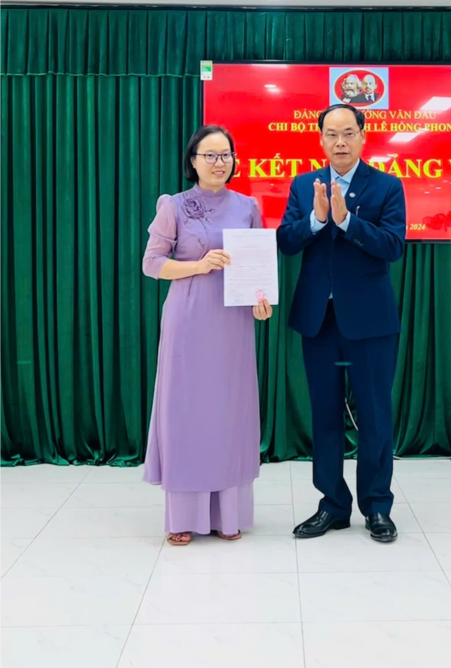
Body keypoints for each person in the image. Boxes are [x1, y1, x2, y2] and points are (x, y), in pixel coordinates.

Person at [277, 104, 405, 543]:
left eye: (348, 133)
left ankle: (377, 505)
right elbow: (285, 241)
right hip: (319, 320)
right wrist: (316, 220)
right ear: (320, 140)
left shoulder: (387, 186)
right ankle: (332, 505)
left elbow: (393, 246)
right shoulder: (303, 184)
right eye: (331, 134)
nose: (340, 142)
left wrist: (347, 221)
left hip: (370, 320)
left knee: (375, 414)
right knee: (325, 415)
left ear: (363, 136)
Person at [142, 125, 272, 546]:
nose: (220, 163)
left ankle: (227, 514)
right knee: (186, 412)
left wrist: (261, 301)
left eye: (226, 155)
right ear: (193, 161)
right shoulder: (174, 205)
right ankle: (183, 516)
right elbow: (151, 263)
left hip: (233, 324)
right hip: (189, 319)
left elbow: (255, 267)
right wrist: (198, 266)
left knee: (229, 414)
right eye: (210, 155)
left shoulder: (248, 206)